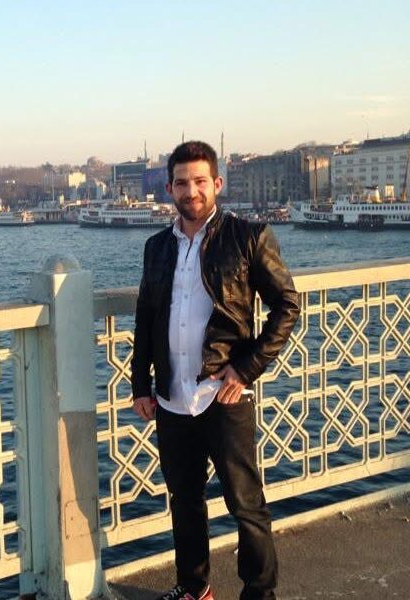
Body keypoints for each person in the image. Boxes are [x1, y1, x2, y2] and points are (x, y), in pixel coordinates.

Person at [131, 141, 300, 600]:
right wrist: (141, 384)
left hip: (223, 395)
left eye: (200, 181)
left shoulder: (248, 237)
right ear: (169, 189)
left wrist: (245, 369)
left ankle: (259, 593)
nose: (191, 191)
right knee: (185, 502)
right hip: (172, 398)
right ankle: (194, 588)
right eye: (182, 183)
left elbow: (287, 306)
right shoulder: (156, 248)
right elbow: (146, 318)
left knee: (245, 504)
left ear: (217, 184)